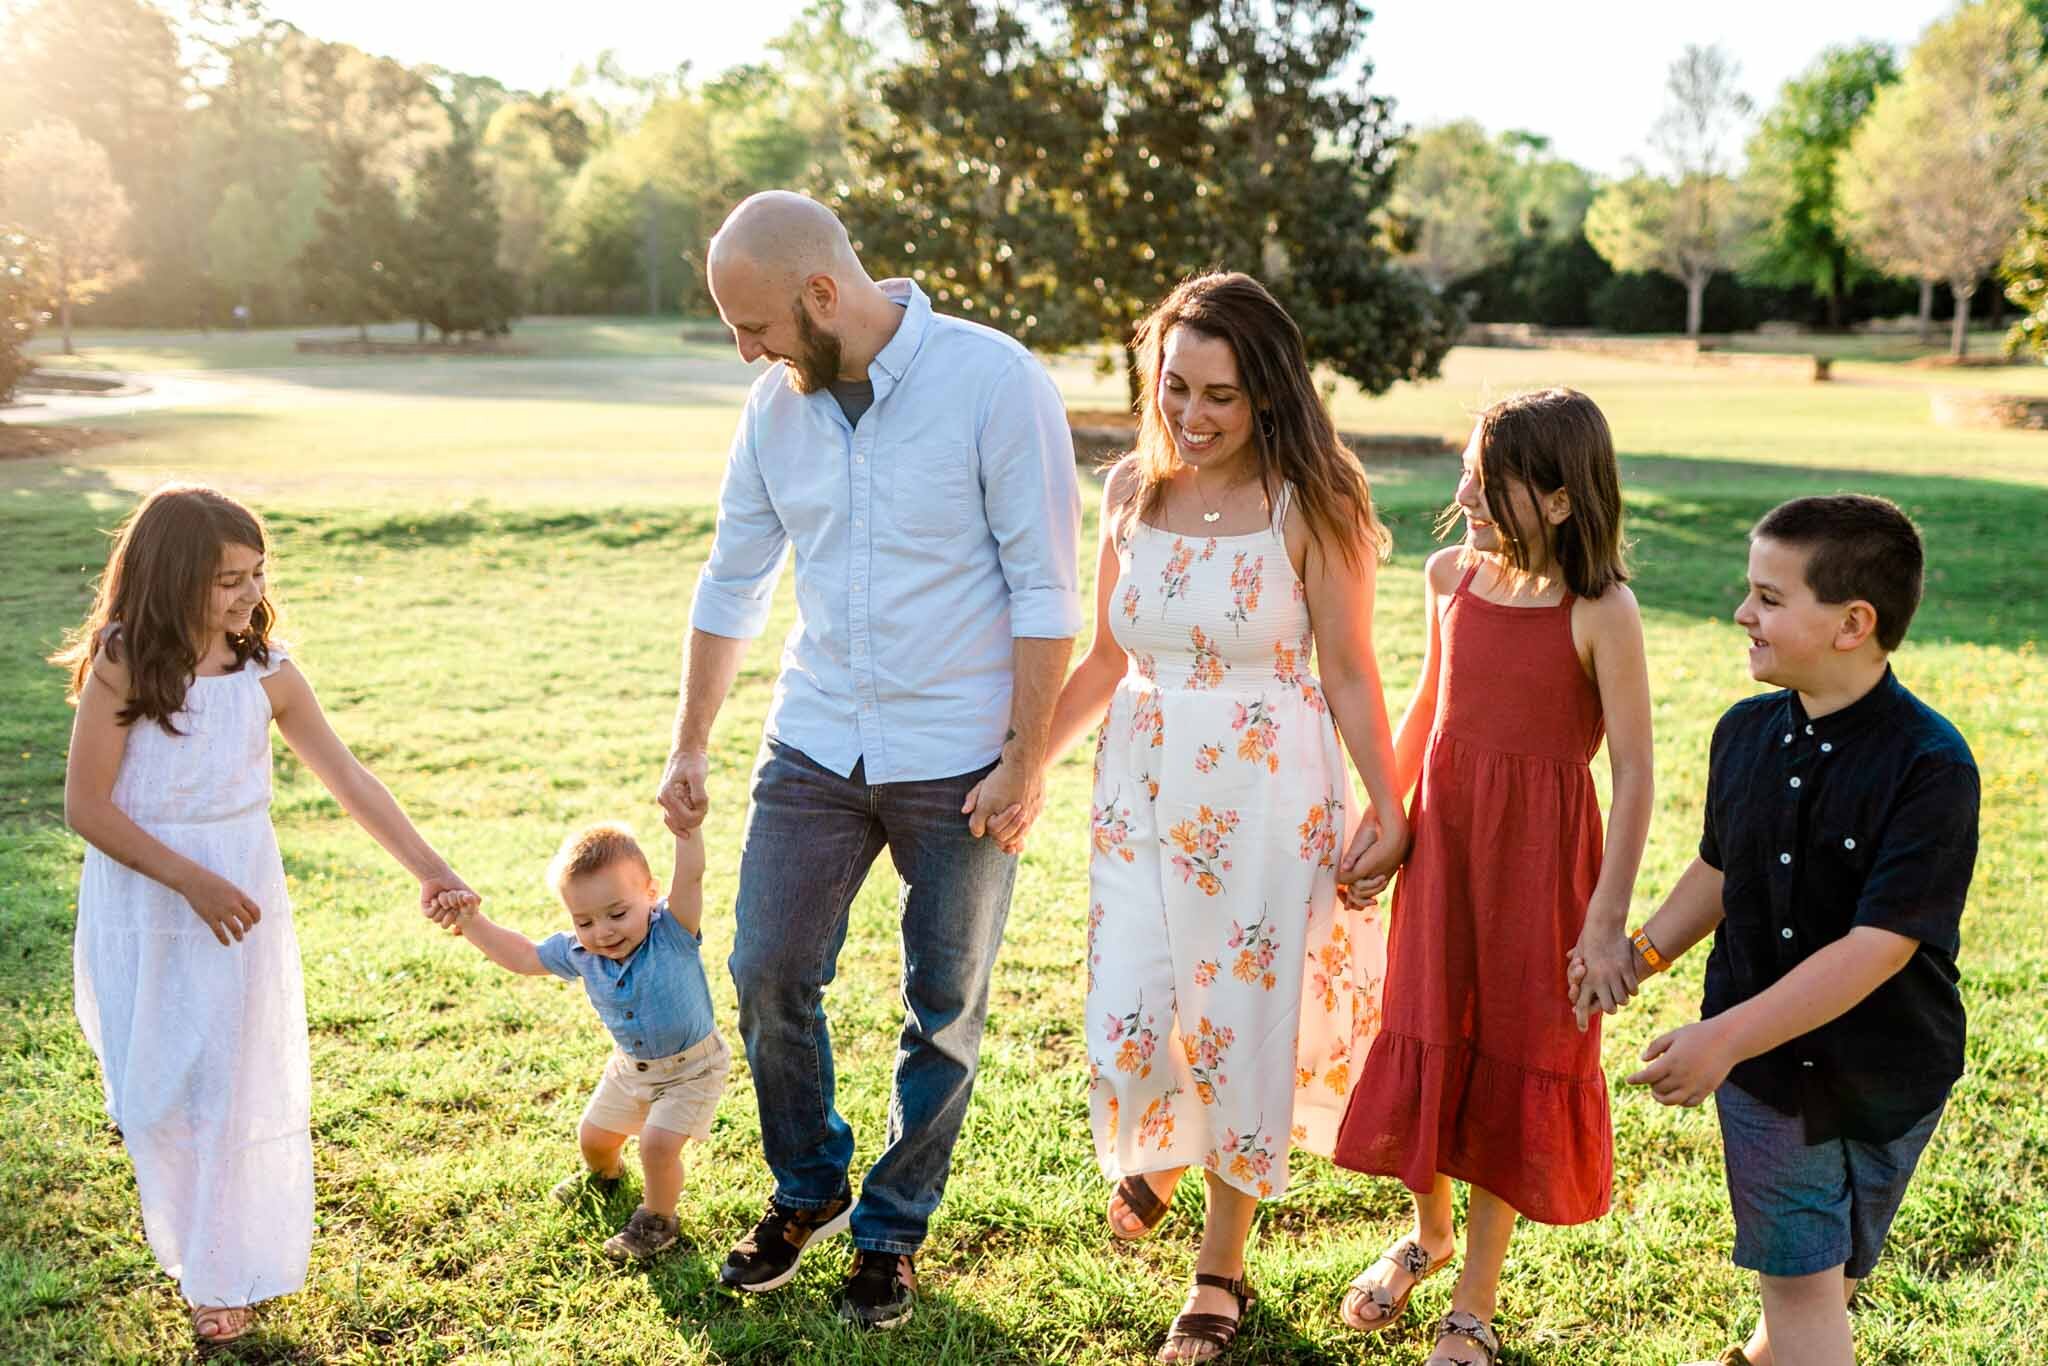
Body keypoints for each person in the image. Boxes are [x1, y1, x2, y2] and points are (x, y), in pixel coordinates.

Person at [657, 191, 1082, 1330]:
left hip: (961, 762)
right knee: (766, 968)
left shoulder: (994, 383)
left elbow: (1046, 592)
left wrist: (1022, 760)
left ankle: (890, 1231)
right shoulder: (773, 410)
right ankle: (808, 1189)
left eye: (754, 326)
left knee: (942, 1007)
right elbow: (730, 581)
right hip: (815, 740)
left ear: (822, 293)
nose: (745, 351)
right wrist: (690, 741)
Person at [1038, 271, 1406, 1363]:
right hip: (1137, 784)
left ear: (1268, 396)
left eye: (1220, 397)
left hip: (1264, 792)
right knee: (1130, 1008)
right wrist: (1024, 768)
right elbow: (1107, 656)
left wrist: (1387, 805)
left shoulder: (1312, 502)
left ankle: (1219, 1268)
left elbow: (1346, 667)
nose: (1190, 418)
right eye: (1173, 390)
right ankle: (1156, 1145)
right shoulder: (1125, 495)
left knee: (1241, 1021)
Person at [53, 484, 479, 1349]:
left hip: (240, 897)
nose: (248, 595)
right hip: (146, 898)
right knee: (155, 1098)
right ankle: (190, 1235)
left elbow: (350, 780)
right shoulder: (126, 660)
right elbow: (87, 808)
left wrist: (432, 869)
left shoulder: (268, 671)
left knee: (228, 1088)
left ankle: (220, 1273)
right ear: (170, 579)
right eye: (225, 581)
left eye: (257, 575)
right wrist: (188, 881)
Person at [1596, 495, 1976, 1366]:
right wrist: (1642, 957)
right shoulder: (1744, 734)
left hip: (1893, 1073)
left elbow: (1880, 947)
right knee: (1804, 1285)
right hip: (1769, 1082)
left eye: (1768, 597)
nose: (1741, 613)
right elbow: (1725, 871)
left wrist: (1718, 1038)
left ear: (1853, 623)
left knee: (1830, 1276)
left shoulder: (1931, 766)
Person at [1331, 389, 1654, 1366]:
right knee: (1427, 1030)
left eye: (1488, 477)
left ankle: (1470, 1302)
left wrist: (1603, 924)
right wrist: (1383, 820)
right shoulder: (1448, 578)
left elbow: (1635, 772)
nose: (1462, 491)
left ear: (1558, 500)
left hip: (1541, 872)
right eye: (1466, 468)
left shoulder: (1601, 609)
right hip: (1445, 853)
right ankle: (1425, 1234)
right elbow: (1429, 705)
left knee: (1512, 1055)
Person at [427, 822, 729, 1263]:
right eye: (584, 920)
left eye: (617, 913)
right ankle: (605, 1177)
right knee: (594, 1138)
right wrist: (472, 922)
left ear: (650, 893)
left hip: (691, 1070)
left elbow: (692, 877)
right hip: (630, 1069)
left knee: (657, 1145)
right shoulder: (580, 954)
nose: (603, 931)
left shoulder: (673, 932)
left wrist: (687, 829)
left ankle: (658, 1219)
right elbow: (522, 956)